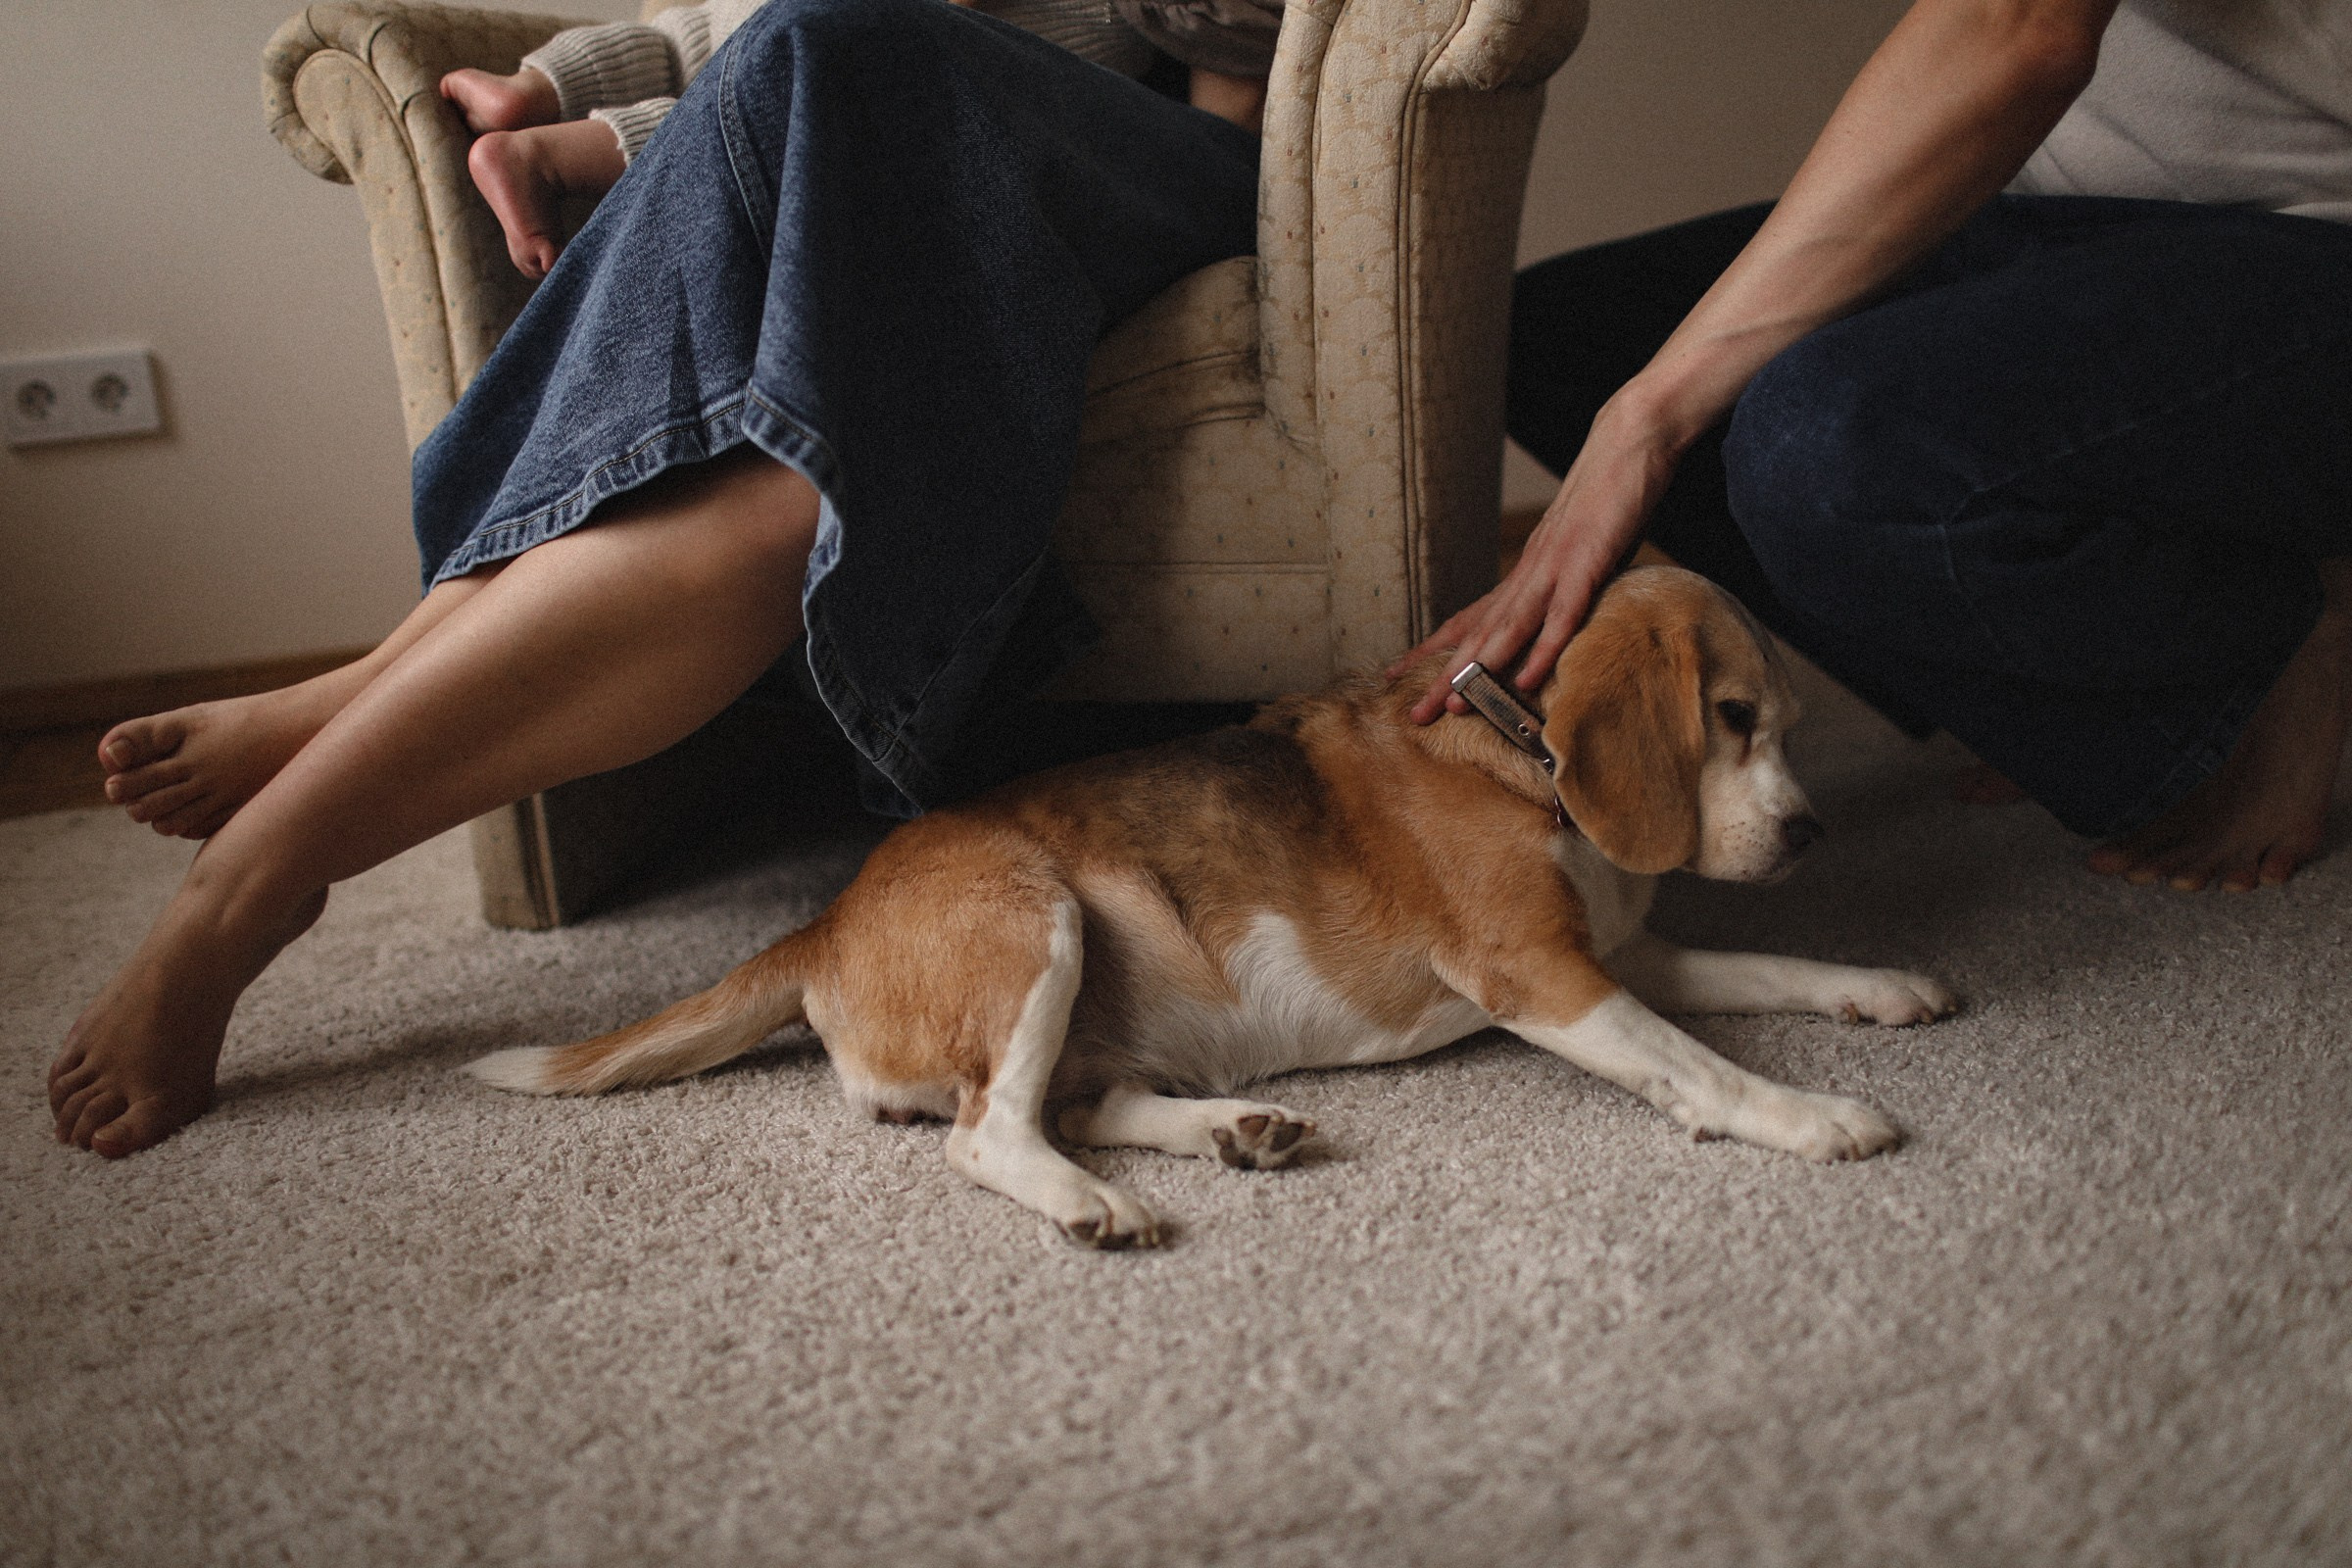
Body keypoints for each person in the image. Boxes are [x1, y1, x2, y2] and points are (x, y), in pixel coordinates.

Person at [53, 0, 1279, 1158]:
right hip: (893, 128)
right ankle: (337, 755)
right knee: (799, 480)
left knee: (826, 46)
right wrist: (576, 96)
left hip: (1192, 144)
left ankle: (262, 857)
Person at [1403, 0, 2352, 896]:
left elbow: (2021, 28)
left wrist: (1642, 425)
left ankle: (2286, 633)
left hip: (2314, 241)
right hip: (2064, 211)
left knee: (1816, 448)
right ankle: (2046, 698)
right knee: (1553, 343)